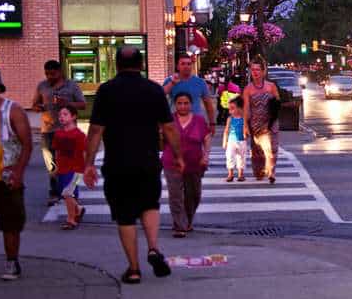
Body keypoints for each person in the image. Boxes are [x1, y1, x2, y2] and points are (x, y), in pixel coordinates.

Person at [84, 46, 180, 285]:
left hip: (117, 163)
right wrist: (178, 154)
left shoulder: (106, 91)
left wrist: (88, 163)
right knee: (150, 204)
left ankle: (134, 269)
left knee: (125, 216)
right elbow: (168, 127)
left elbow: (96, 130)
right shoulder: (154, 90)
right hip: (147, 160)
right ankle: (153, 248)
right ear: (142, 64)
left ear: (116, 64)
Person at [0, 67, 32, 281]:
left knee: (11, 221)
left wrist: (19, 172)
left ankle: (12, 261)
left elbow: (27, 144)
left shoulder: (12, 110)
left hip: (5, 175)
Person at [30, 59, 86, 206]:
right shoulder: (42, 86)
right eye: (47, 74)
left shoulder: (71, 85)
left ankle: (72, 192)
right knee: (52, 164)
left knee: (69, 164)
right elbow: (34, 105)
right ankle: (54, 193)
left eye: (53, 74)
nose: (50, 77)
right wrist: (39, 107)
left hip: (67, 131)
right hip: (48, 130)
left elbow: (83, 104)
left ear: (60, 72)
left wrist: (67, 103)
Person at [163, 92, 211, 237]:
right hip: (172, 162)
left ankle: (187, 220)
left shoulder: (199, 120)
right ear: (175, 104)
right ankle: (179, 225)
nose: (183, 106)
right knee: (175, 195)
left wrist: (206, 155)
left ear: (191, 104)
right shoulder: (168, 120)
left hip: (194, 162)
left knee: (194, 194)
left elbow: (206, 137)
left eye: (186, 103)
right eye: (179, 103)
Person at [242, 56, 280, 183]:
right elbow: (246, 109)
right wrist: (246, 126)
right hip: (256, 124)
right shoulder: (248, 89)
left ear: (263, 72)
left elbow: (277, 103)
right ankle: (260, 170)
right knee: (258, 152)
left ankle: (271, 172)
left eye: (258, 70)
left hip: (270, 122)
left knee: (272, 148)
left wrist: (273, 114)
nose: (255, 73)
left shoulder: (271, 87)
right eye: (253, 70)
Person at [52, 105, 87, 230]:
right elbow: (57, 151)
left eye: (65, 114)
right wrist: (56, 167)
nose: (61, 117)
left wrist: (86, 169)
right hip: (62, 169)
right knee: (67, 194)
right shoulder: (58, 134)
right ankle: (79, 208)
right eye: (60, 114)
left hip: (76, 170)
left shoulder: (80, 135)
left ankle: (71, 220)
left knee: (67, 194)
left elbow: (84, 153)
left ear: (74, 117)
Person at [163, 53, 216, 133]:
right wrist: (172, 83)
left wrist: (212, 123)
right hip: (176, 123)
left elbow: (208, 104)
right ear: (178, 66)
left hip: (196, 124)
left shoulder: (200, 82)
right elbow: (160, 95)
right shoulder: (170, 80)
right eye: (183, 64)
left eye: (188, 64)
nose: (186, 66)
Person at [222, 97, 247, 182]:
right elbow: (226, 130)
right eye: (229, 109)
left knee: (241, 157)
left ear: (240, 108)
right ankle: (230, 174)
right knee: (229, 157)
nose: (230, 111)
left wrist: (246, 133)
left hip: (242, 141)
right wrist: (225, 141)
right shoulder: (230, 119)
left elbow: (245, 128)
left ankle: (241, 174)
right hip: (231, 141)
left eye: (232, 108)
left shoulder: (244, 118)